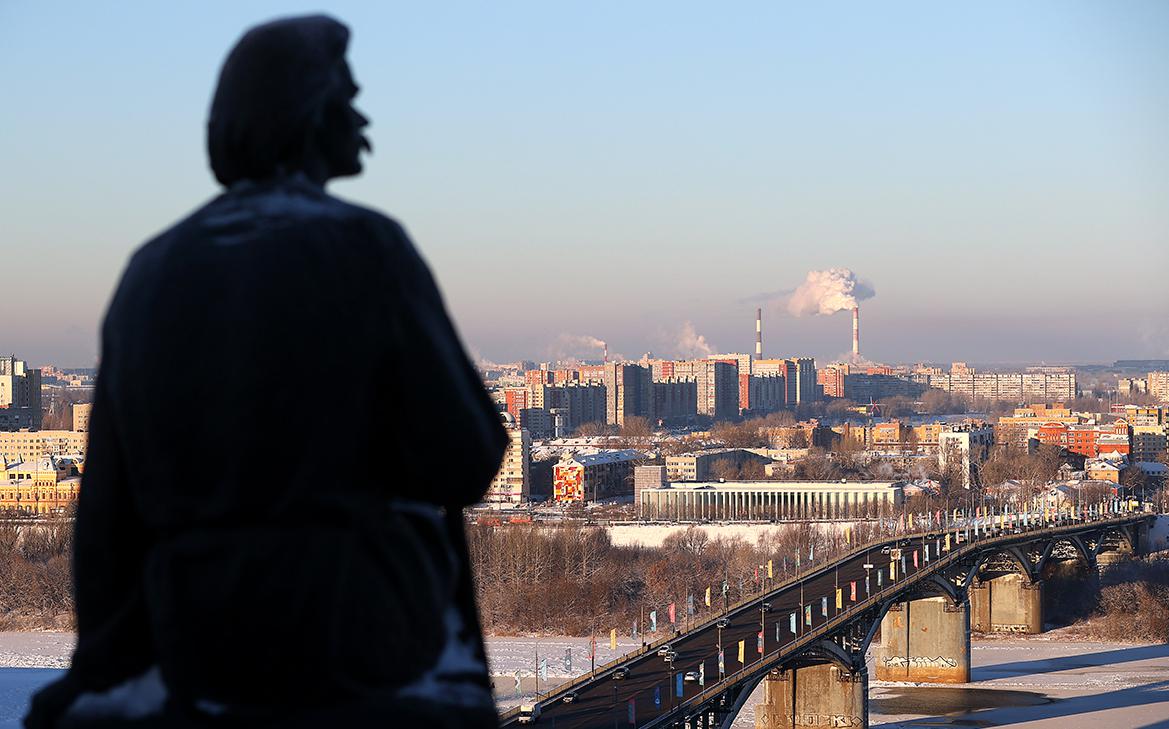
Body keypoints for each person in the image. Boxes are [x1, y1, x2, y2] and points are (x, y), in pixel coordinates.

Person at [26, 15, 506, 728]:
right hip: (352, 630)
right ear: (308, 113)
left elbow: (107, 511)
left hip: (195, 632)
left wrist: (100, 662)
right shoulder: (365, 246)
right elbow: (466, 458)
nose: (362, 116)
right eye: (347, 96)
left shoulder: (152, 269)